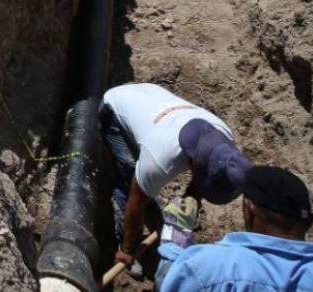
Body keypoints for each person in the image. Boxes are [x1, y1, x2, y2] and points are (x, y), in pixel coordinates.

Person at [102, 83, 252, 277]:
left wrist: (189, 203)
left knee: (145, 176)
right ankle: (124, 241)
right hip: (115, 106)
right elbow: (135, 202)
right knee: (129, 175)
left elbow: (204, 175)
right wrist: (128, 251)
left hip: (149, 98)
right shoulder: (160, 158)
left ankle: (149, 202)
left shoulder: (223, 136)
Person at [161, 165, 313, 291]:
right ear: (307, 223)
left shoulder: (208, 267)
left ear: (249, 208)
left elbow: (167, 281)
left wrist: (176, 232)